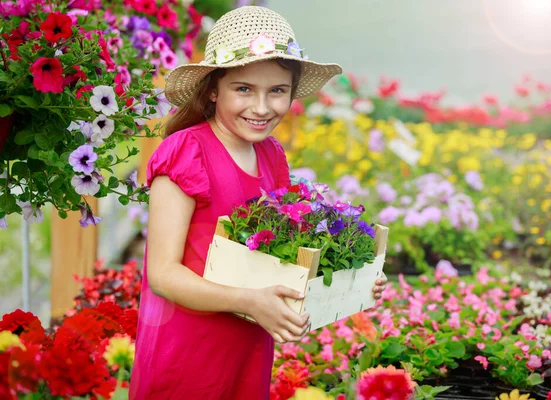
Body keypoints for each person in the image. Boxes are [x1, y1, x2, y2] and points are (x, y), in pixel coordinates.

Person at [129, 6, 388, 399]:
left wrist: (352, 279)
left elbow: (277, 256)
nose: (262, 107)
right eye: (244, 89)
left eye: (277, 91)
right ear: (214, 89)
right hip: (187, 349)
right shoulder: (186, 152)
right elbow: (163, 274)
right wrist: (248, 300)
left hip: (248, 345)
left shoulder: (271, 156)